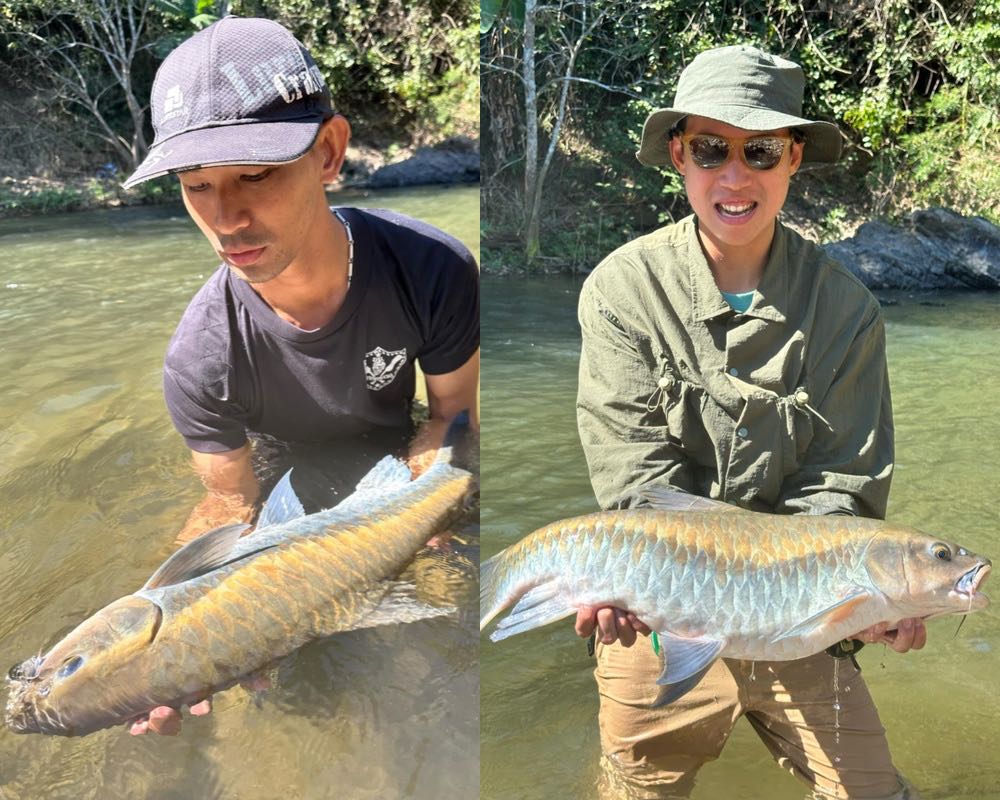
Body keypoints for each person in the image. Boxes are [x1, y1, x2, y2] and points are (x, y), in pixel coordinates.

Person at [575, 45, 922, 799]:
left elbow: (843, 487)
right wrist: (625, 580)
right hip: (661, 606)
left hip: (799, 609)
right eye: (711, 149)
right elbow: (636, 485)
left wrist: (866, 601)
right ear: (679, 155)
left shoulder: (845, 309)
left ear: (793, 158)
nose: (735, 176)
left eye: (760, 150)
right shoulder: (621, 292)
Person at [120, 16, 479, 736]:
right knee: (293, 694)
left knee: (449, 627)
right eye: (197, 186)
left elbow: (450, 418)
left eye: (255, 175)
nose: (227, 219)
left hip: (400, 456)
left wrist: (417, 518)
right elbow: (227, 502)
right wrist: (188, 620)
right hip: (283, 480)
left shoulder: (431, 269)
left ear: (329, 152)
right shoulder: (199, 358)